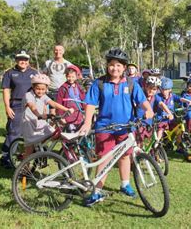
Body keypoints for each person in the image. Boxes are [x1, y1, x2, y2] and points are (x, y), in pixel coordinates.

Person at [78, 48, 154, 206]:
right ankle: (97, 191)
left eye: (119, 65)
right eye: (112, 65)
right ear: (107, 66)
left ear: (124, 68)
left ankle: (125, 184)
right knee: (104, 159)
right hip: (104, 128)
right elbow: (90, 104)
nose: (115, 68)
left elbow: (142, 100)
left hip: (126, 127)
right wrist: (87, 123)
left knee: (125, 156)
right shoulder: (99, 83)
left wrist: (149, 110)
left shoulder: (131, 83)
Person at [0, 50, 38, 168]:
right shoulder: (10, 73)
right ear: (16, 60)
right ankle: (6, 157)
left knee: (32, 132)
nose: (23, 61)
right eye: (20, 59)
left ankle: (31, 156)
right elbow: (6, 90)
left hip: (32, 105)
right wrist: (7, 107)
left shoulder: (34, 72)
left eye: (25, 59)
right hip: (16, 105)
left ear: (28, 60)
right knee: (14, 132)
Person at [21, 74, 74, 159]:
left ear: (46, 89)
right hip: (29, 123)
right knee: (29, 149)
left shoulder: (43, 96)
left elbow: (53, 103)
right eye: (38, 89)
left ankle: (40, 150)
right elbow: (32, 106)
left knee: (53, 133)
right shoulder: (28, 95)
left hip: (40, 121)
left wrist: (66, 109)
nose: (40, 91)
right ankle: (24, 170)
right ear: (33, 87)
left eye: (43, 89)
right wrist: (39, 115)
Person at [136, 76, 174, 142]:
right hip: (139, 123)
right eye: (149, 88)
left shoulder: (155, 97)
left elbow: (161, 104)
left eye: (154, 89)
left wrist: (169, 113)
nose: (151, 91)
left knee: (151, 142)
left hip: (150, 123)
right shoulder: (141, 95)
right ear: (145, 86)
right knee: (140, 142)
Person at [56, 65, 86, 132]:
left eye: (73, 77)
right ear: (66, 76)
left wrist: (86, 111)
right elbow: (59, 102)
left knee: (80, 133)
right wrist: (61, 116)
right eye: (69, 77)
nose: (71, 79)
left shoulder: (79, 87)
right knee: (71, 135)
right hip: (68, 115)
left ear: (76, 77)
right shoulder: (63, 88)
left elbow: (83, 100)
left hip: (79, 114)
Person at [156, 77, 180, 142]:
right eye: (162, 89)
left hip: (170, 119)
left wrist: (188, 101)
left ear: (170, 89)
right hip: (161, 119)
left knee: (178, 130)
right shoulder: (157, 96)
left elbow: (180, 99)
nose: (164, 91)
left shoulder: (172, 96)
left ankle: (179, 146)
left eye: (166, 89)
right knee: (160, 131)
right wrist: (169, 113)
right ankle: (156, 145)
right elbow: (162, 105)